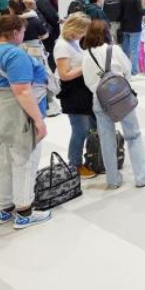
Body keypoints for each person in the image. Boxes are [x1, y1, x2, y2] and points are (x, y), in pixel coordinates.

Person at [0, 14, 52, 230]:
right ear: (16, 33)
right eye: (23, 32)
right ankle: (25, 212)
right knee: (24, 161)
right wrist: (39, 121)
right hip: (16, 115)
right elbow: (23, 91)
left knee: (2, 163)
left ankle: (5, 208)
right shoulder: (15, 55)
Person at [81, 20, 145, 189]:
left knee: (107, 140)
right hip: (120, 97)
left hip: (99, 99)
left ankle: (113, 180)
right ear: (107, 32)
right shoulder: (113, 49)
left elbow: (87, 81)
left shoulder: (86, 54)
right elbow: (128, 69)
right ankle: (142, 176)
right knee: (133, 135)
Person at [53, 13, 98, 178]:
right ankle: (75, 165)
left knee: (92, 127)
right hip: (73, 93)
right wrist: (87, 65)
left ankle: (91, 158)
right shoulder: (62, 46)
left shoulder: (74, 42)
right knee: (80, 130)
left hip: (84, 91)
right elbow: (64, 74)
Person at [118, 0, 145, 75]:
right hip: (135, 26)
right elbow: (140, 11)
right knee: (134, 49)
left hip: (124, 25)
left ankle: (124, 69)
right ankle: (133, 70)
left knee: (125, 49)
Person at [31, 0, 61, 67]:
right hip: (49, 33)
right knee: (50, 54)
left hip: (40, 33)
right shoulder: (42, 2)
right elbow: (52, 17)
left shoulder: (33, 1)